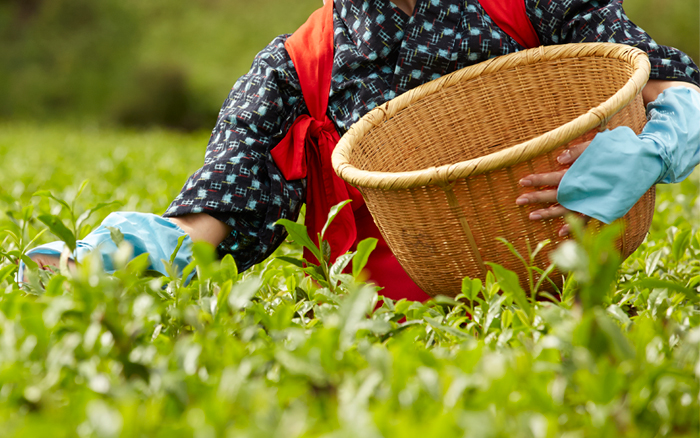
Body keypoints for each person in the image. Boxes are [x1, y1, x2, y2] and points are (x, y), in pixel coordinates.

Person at [21, 0, 700, 300]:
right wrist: (120, 261)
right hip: (391, 354)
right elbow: (209, 220)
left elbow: (680, 90)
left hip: (555, 329)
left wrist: (650, 146)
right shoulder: (293, 73)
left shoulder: (540, 5)